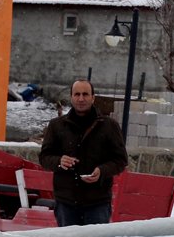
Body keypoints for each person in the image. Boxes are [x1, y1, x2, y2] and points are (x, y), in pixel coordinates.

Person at [39, 79, 128, 226]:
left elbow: (120, 160)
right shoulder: (56, 125)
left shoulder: (109, 126)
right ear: (71, 97)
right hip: (65, 202)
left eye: (85, 94)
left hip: (97, 202)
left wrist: (102, 170)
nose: (81, 99)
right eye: (77, 94)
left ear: (93, 98)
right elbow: (44, 158)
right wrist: (59, 161)